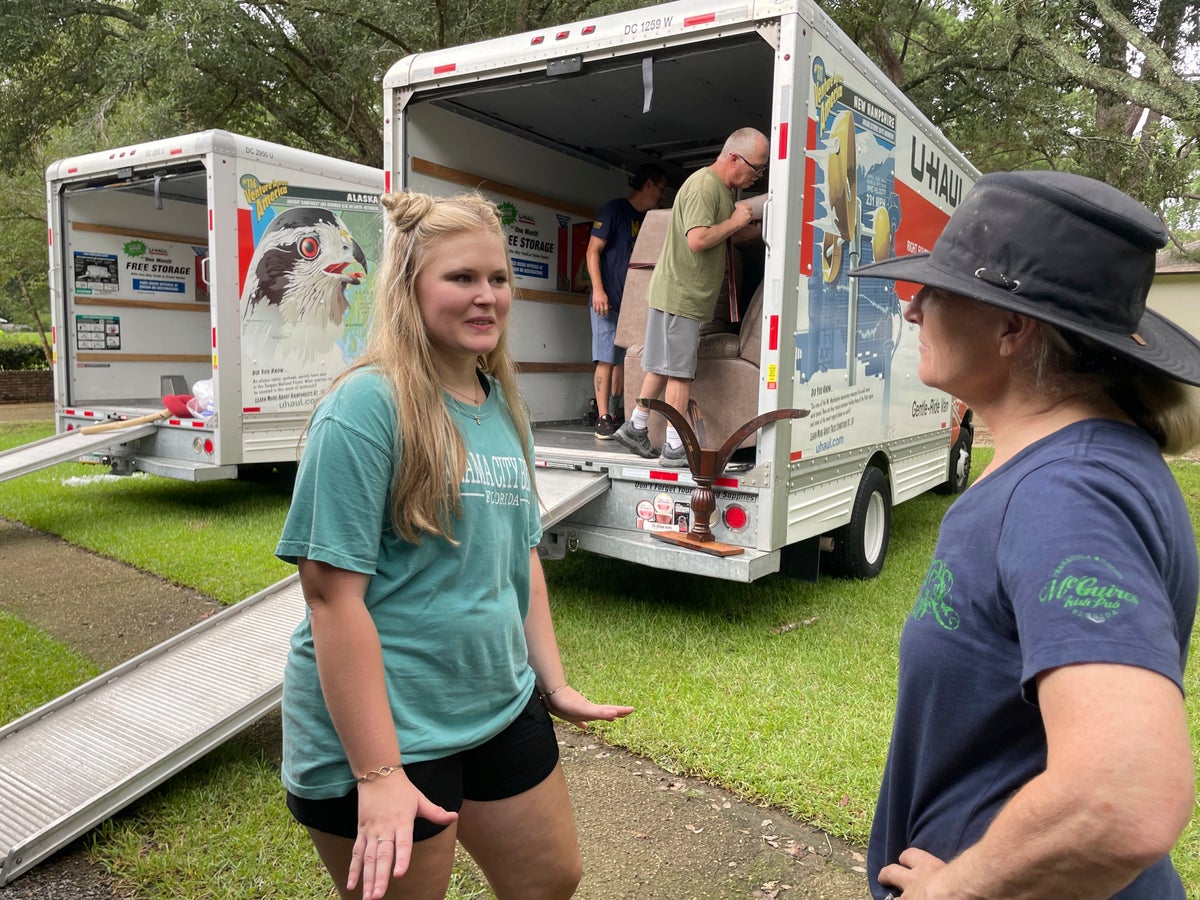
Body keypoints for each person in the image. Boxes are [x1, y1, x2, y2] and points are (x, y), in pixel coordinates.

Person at [849, 170, 1200, 899]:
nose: (914, 310)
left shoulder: (1067, 493)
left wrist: (961, 887)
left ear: (1013, 328)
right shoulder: (1072, 462)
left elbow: (1124, 800)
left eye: (938, 291)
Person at [275, 191, 634, 900]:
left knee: (552, 879)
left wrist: (552, 682)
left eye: (497, 279)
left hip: (497, 705)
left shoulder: (500, 403)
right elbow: (330, 598)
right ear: (409, 288)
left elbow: (519, 554)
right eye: (461, 278)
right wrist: (378, 774)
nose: (486, 297)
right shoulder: (363, 408)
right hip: (390, 733)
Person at [613, 127, 768, 466]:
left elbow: (716, 236)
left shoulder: (722, 190)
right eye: (756, 168)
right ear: (733, 158)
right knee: (681, 372)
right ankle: (674, 447)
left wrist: (743, 224)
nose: (756, 177)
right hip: (680, 295)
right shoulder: (704, 187)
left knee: (660, 365)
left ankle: (635, 427)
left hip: (677, 294)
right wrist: (738, 219)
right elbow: (698, 239)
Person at [586, 163, 667, 440]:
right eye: (660, 189)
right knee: (605, 358)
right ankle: (602, 418)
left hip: (632, 304)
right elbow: (592, 251)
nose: (661, 196)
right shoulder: (614, 210)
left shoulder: (649, 219)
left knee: (625, 360)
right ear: (647, 185)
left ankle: (619, 412)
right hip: (606, 300)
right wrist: (598, 290)